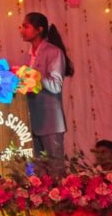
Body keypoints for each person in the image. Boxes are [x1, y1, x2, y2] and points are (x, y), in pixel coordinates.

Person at [20, 12, 74, 172]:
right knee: (37, 173)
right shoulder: (26, 56)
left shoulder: (54, 52)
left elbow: (56, 85)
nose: (22, 30)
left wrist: (34, 77)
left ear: (39, 30)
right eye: (22, 27)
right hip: (31, 121)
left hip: (50, 122)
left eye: (26, 26)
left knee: (56, 171)